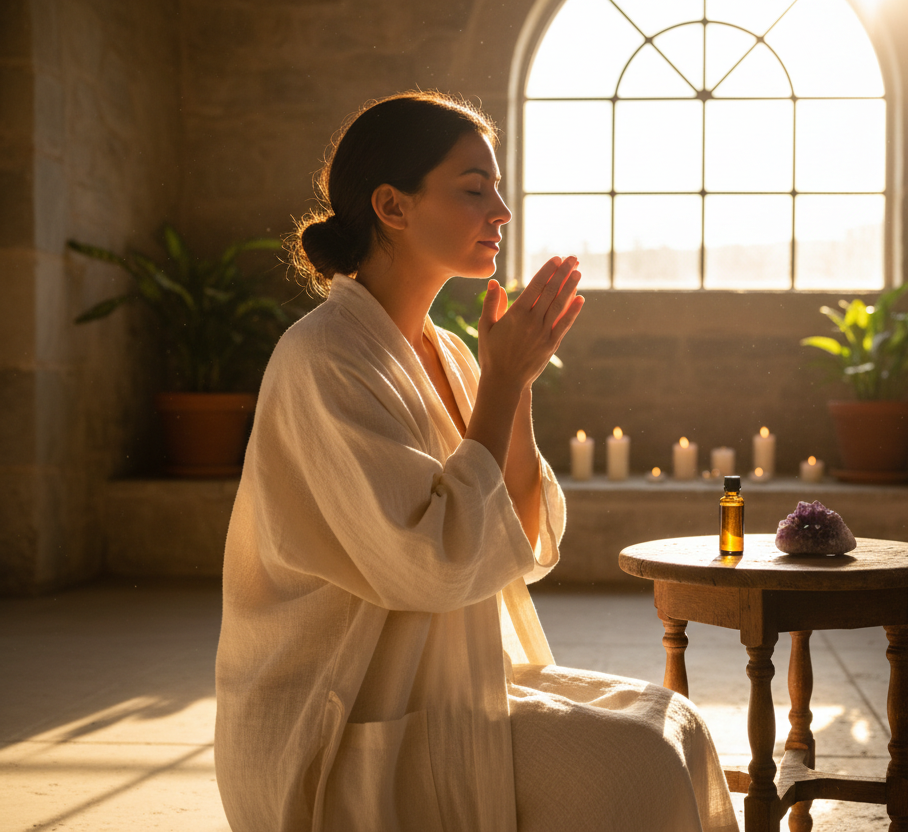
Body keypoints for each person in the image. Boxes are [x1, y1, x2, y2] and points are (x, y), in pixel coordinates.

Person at [214, 91, 738, 832]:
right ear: (393, 206)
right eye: (473, 189)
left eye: (497, 188)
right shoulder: (324, 356)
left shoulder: (454, 353)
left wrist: (511, 381)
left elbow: (519, 544)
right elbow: (431, 564)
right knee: (637, 763)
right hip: (347, 710)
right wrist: (501, 383)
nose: (502, 210)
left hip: (443, 684)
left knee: (675, 723)